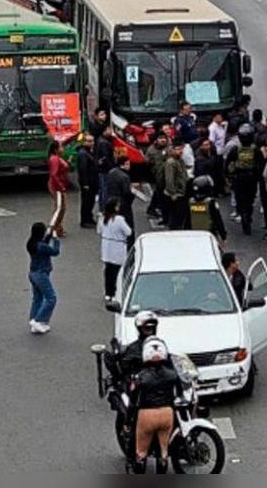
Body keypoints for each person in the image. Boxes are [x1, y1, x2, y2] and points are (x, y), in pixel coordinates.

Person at [131, 337, 180, 474]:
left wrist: (128, 423)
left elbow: (133, 402)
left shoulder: (140, 377)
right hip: (167, 414)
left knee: (141, 452)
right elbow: (180, 392)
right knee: (163, 452)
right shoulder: (172, 374)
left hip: (147, 415)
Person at [26, 222, 61, 335]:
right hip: (41, 274)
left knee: (37, 298)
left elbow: (44, 243)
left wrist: (50, 234)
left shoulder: (32, 243)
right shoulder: (41, 246)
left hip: (33, 273)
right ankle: (39, 320)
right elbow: (55, 252)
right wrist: (56, 239)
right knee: (51, 298)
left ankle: (33, 320)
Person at [226, 123, 260, 235]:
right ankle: (247, 215)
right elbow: (261, 165)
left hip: (239, 178)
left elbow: (227, 164)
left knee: (240, 199)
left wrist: (228, 176)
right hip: (251, 178)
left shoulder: (235, 150)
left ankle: (243, 214)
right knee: (250, 199)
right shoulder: (255, 150)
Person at [98, 199, 131, 306]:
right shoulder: (119, 220)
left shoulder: (103, 218)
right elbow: (128, 232)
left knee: (108, 272)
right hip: (117, 247)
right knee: (117, 272)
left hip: (107, 247)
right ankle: (116, 293)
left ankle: (108, 293)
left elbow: (99, 231)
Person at [106, 155, 137, 248]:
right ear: (124, 164)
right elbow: (127, 192)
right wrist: (133, 196)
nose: (129, 166)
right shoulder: (125, 177)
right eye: (128, 164)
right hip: (123, 203)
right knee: (128, 224)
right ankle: (130, 245)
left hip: (111, 200)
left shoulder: (111, 172)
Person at [187, 176, 227, 245]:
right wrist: (223, 236)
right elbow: (218, 220)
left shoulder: (190, 202)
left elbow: (187, 221)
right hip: (209, 234)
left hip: (193, 235)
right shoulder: (210, 203)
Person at [161, 140, 191, 230]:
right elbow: (169, 179)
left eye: (181, 149)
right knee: (175, 217)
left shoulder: (180, 160)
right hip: (176, 195)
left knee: (180, 216)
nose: (180, 151)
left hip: (181, 193)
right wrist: (173, 193)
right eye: (178, 149)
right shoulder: (171, 162)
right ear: (172, 150)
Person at [144, 133, 171, 225]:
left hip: (168, 175)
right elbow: (146, 161)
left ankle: (152, 209)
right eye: (160, 138)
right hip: (157, 176)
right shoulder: (151, 150)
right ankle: (163, 215)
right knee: (161, 196)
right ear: (156, 140)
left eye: (164, 138)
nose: (163, 140)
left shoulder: (169, 148)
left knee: (159, 194)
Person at [46, 140, 70, 238]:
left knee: (62, 208)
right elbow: (54, 174)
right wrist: (61, 186)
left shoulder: (57, 158)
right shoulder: (55, 159)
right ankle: (52, 229)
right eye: (61, 147)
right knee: (59, 208)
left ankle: (58, 227)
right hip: (57, 187)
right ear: (56, 149)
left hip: (59, 186)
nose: (63, 149)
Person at [77, 133, 100, 228]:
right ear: (84, 142)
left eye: (92, 141)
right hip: (88, 183)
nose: (92, 143)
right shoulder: (83, 153)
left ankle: (89, 218)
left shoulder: (89, 152)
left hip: (92, 181)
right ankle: (85, 220)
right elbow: (83, 170)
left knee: (90, 202)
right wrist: (85, 184)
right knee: (86, 202)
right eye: (89, 141)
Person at [96, 125, 117, 211]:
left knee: (102, 189)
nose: (111, 131)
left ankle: (102, 207)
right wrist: (112, 168)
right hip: (105, 170)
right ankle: (104, 208)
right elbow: (106, 157)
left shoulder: (100, 140)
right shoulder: (104, 143)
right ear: (105, 130)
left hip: (102, 169)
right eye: (109, 129)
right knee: (105, 189)